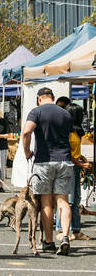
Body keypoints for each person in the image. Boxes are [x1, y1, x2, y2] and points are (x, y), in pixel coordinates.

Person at [22, 87, 74, 255]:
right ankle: (65, 236)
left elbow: (26, 132)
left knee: (45, 202)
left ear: (39, 98)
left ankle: (49, 242)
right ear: (53, 97)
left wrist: (27, 151)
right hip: (64, 160)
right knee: (63, 201)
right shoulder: (66, 113)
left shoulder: (36, 112)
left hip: (44, 161)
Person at [56, 103, 92, 241]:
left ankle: (76, 229)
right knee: (67, 200)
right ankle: (62, 229)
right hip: (68, 167)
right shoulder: (66, 131)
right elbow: (66, 152)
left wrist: (81, 158)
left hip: (76, 167)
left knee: (76, 199)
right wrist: (80, 163)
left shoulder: (75, 131)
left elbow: (74, 151)